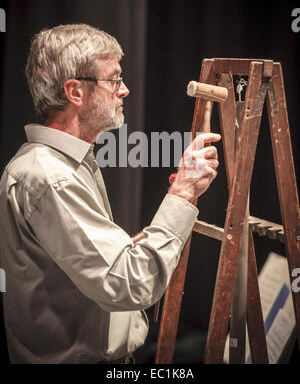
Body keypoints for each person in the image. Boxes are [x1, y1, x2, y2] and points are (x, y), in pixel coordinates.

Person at [0, 24, 220, 364]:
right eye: (115, 79)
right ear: (75, 91)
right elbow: (129, 284)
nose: (125, 90)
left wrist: (175, 205)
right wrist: (184, 190)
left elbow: (91, 267)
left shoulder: (67, 164)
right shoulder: (51, 177)